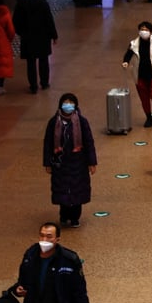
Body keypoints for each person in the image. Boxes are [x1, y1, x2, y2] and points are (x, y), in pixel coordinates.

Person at [43, 93, 98, 228]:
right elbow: (48, 144)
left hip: (78, 162)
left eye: (71, 103)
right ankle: (64, 214)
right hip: (60, 163)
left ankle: (75, 217)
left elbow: (89, 142)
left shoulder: (82, 122)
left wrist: (92, 162)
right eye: (65, 103)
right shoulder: (53, 122)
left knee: (77, 190)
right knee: (62, 190)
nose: (68, 106)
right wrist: (47, 163)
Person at [12, 0, 59, 94]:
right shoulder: (43, 4)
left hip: (28, 37)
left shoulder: (21, 4)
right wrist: (54, 35)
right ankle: (44, 83)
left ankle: (33, 86)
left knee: (31, 63)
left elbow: (15, 21)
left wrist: (21, 32)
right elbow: (49, 20)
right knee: (43, 60)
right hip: (43, 36)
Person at [122, 21, 152, 127]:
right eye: (142, 29)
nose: (144, 32)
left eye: (146, 30)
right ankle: (148, 117)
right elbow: (128, 54)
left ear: (151, 31)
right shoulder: (133, 44)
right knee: (144, 97)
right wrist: (125, 61)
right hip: (140, 75)